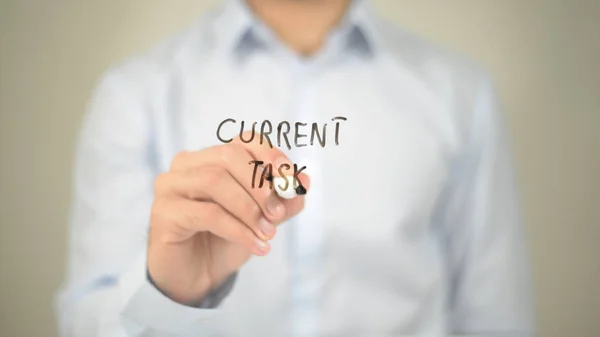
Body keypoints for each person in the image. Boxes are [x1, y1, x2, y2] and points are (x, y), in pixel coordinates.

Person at [55, 0, 535, 336]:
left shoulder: (460, 94)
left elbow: (494, 318)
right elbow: (85, 324)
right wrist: (168, 293)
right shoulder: (135, 93)